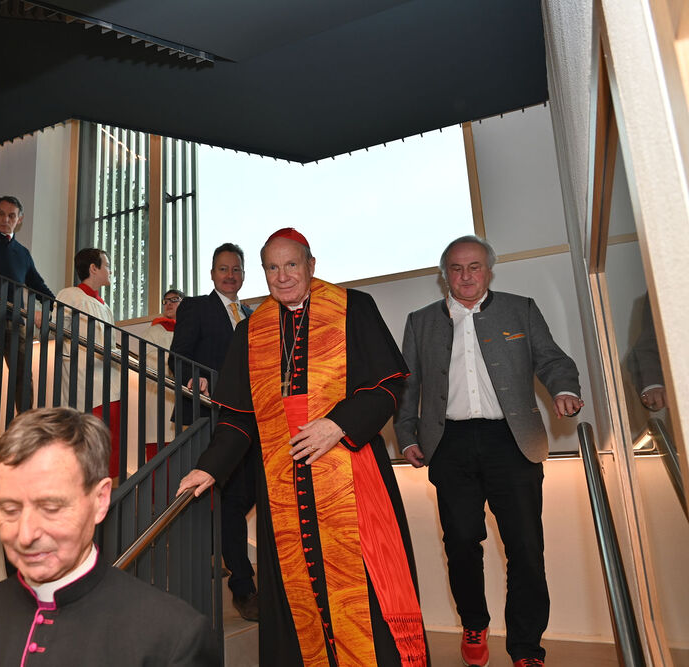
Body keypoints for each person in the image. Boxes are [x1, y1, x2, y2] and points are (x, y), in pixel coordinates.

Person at [178, 228, 427, 666]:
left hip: (351, 469)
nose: (283, 276)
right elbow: (239, 417)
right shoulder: (251, 330)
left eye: (291, 264)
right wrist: (209, 467)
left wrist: (338, 424)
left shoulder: (353, 308)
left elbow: (387, 387)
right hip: (283, 483)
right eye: (272, 268)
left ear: (311, 265)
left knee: (366, 588)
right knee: (296, 595)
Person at [395, 235, 583, 667]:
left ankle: (526, 648)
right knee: (461, 543)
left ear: (488, 271)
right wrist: (406, 435)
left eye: (474, 267)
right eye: (456, 268)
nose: (466, 276)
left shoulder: (521, 309)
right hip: (450, 443)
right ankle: (474, 623)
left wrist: (564, 389)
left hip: (511, 442)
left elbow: (552, 360)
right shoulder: (420, 321)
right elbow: (408, 384)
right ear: (444, 275)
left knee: (525, 548)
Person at [0, 407, 219, 666]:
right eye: (10, 509)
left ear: (100, 501)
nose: (25, 535)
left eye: (51, 508)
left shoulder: (173, 639)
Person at [170, 243, 260, 622]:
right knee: (233, 499)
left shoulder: (254, 315)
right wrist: (195, 379)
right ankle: (243, 587)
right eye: (223, 269)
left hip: (254, 421)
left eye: (236, 269)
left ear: (243, 275)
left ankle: (221, 553)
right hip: (214, 416)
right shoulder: (196, 308)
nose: (230, 275)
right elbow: (178, 356)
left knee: (250, 495)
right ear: (212, 274)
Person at [0, 195, 54, 412]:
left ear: (19, 219)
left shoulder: (23, 253)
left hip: (15, 320)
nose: (5, 219)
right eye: (1, 213)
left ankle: (27, 423)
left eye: (11, 215)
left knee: (23, 375)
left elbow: (39, 285)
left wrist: (49, 309)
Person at [55, 248, 123, 477]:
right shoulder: (70, 295)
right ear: (93, 268)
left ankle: (104, 489)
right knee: (87, 440)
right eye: (107, 265)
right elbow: (56, 327)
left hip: (110, 382)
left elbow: (110, 344)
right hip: (84, 380)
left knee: (108, 442)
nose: (110, 270)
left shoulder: (105, 307)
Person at [142, 288, 185, 453]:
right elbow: (149, 359)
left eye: (174, 300)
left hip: (184, 396)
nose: (168, 304)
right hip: (159, 396)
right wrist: (176, 363)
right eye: (165, 301)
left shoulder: (190, 329)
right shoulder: (154, 331)